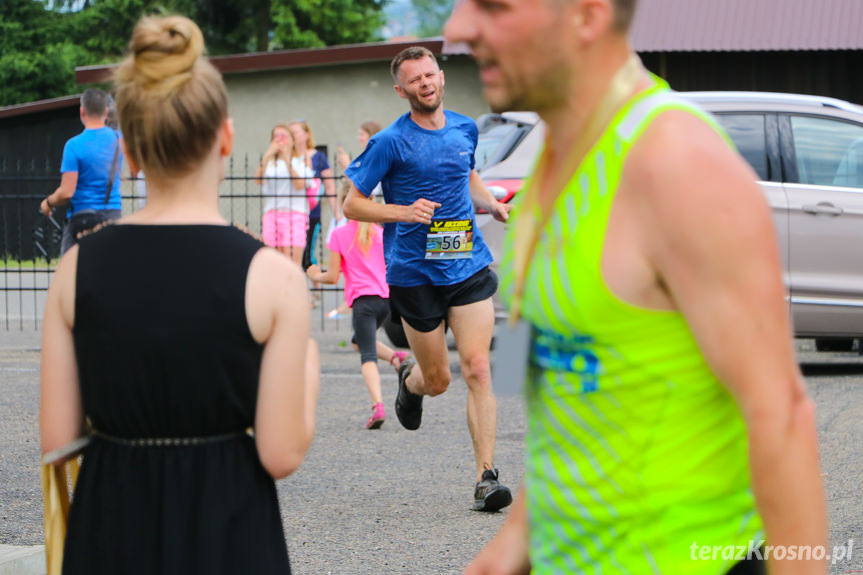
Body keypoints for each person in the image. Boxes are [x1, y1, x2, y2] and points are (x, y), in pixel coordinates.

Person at [445, 0, 827, 573]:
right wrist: (508, 546)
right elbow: (561, 412)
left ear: (588, 15)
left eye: (494, 6)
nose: (458, 29)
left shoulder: (675, 163)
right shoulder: (548, 173)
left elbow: (782, 417)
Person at [39, 14, 319, 574]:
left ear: (131, 154)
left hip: (113, 526)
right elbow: (281, 452)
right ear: (226, 138)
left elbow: (56, 436)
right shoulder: (274, 277)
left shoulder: (76, 269)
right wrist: (308, 365)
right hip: (229, 530)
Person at [342, 46, 513, 512]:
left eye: (429, 74)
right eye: (414, 80)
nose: (425, 83)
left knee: (477, 368)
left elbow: (467, 174)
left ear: (441, 76)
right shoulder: (390, 142)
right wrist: (402, 212)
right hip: (414, 273)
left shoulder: (465, 126)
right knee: (438, 380)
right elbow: (351, 204)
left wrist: (490, 203)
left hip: (467, 264)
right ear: (402, 90)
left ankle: (486, 478)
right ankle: (410, 383)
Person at [306, 187, 410, 429]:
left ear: (346, 205)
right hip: (385, 300)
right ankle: (397, 358)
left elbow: (332, 277)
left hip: (363, 303)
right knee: (358, 341)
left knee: (367, 356)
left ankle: (378, 407)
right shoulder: (380, 233)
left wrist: (314, 275)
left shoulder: (339, 235)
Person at [40, 88, 124, 255]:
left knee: (72, 275)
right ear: (106, 111)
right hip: (113, 217)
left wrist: (48, 203)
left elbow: (66, 192)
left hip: (82, 220)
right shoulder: (119, 140)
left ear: (82, 111)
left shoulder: (74, 146)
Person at [255, 123, 316, 266]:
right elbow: (258, 179)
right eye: (276, 136)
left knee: (292, 261)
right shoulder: (270, 164)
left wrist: (287, 159)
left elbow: (300, 184)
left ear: (291, 140)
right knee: (272, 260)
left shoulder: (300, 163)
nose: (280, 140)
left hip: (295, 215)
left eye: (283, 136)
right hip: (272, 214)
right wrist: (268, 155)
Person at [293, 119, 338, 278]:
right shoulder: (287, 158)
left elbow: (330, 185)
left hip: (311, 214)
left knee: (306, 254)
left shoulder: (318, 157)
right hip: (291, 211)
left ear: (306, 135)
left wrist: (336, 212)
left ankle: (316, 289)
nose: (293, 135)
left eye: (296, 131)